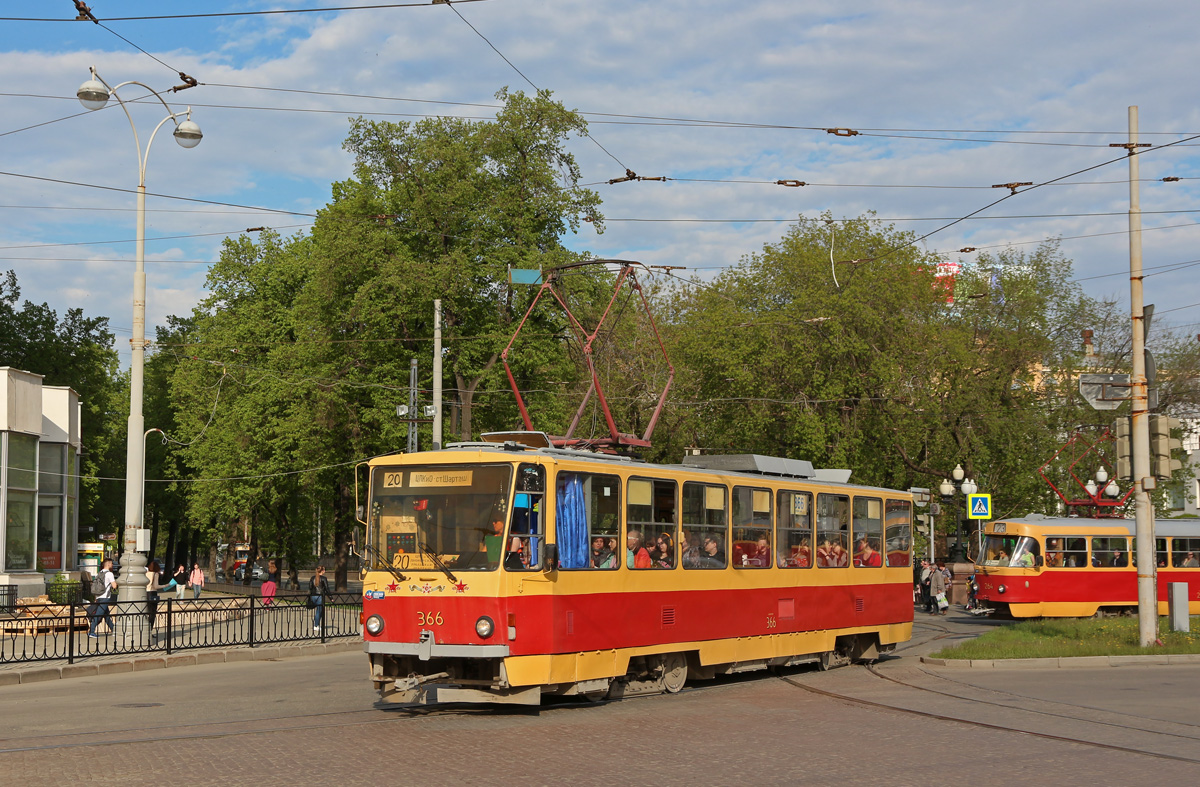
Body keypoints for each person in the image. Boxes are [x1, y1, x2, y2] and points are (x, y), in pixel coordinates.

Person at [88, 558, 117, 638]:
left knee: (106, 615)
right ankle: (91, 631)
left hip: (98, 596)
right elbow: (114, 586)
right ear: (108, 564)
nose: (112, 565)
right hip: (105, 597)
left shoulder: (99, 573)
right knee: (98, 614)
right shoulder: (109, 574)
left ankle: (114, 629)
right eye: (111, 563)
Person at [309, 565, 331, 632]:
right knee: (319, 611)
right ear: (322, 571)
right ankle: (316, 625)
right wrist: (331, 597)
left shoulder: (313, 578)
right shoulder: (324, 578)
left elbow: (310, 587)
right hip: (320, 596)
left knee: (319, 611)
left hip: (313, 596)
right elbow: (327, 588)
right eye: (324, 570)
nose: (325, 571)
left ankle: (317, 624)